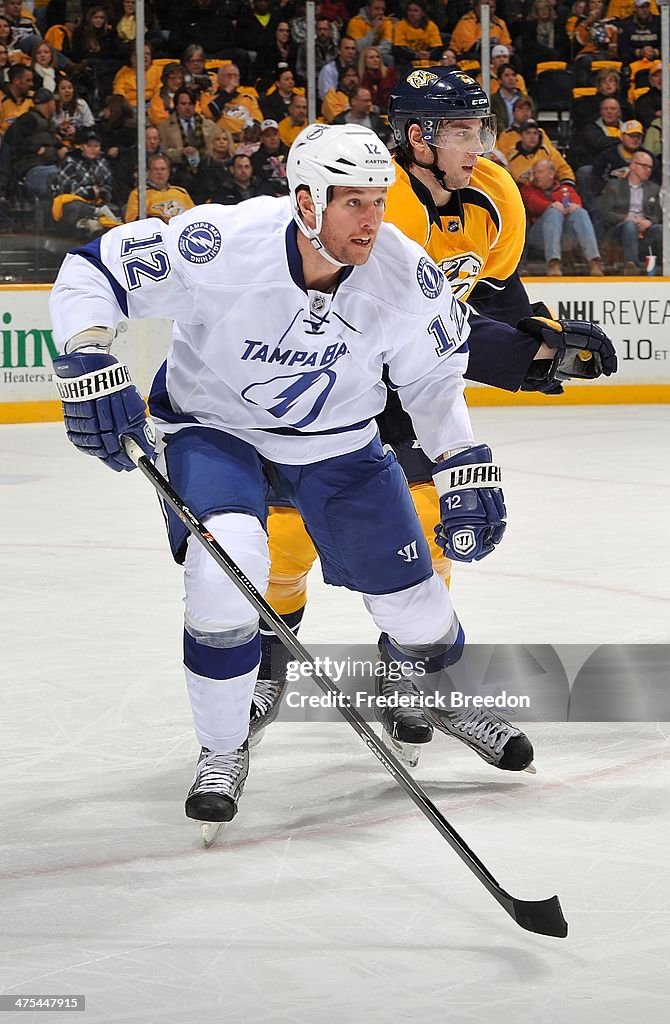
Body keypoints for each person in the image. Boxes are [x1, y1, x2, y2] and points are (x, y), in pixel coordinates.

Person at [49, 123, 533, 838]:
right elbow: (92, 271)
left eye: (378, 200)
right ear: (305, 201)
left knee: (418, 612)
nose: (372, 220)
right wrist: (88, 354)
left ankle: (434, 692)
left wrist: (462, 461)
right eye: (353, 204)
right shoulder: (219, 242)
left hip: (340, 445)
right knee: (227, 576)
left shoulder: (403, 272)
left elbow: (433, 379)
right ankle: (221, 750)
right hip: (216, 432)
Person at [255, 70, 618, 765]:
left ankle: (412, 682)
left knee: (431, 537)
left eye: (479, 128)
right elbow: (392, 326)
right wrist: (520, 359)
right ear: (416, 137)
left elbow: (495, 298)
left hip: (414, 399)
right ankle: (258, 678)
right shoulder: (376, 209)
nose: (477, 144)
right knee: (283, 543)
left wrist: (539, 343)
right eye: (459, 131)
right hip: (326, 392)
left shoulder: (494, 195)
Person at [520, 158, 603, 276]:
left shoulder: (566, 189)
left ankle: (594, 261)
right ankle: (553, 263)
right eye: (534, 172)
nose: (535, 176)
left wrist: (573, 206)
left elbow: (576, 201)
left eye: (539, 172)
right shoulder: (528, 189)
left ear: (551, 174)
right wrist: (551, 205)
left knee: (580, 212)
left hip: (566, 236)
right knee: (553, 212)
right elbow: (532, 204)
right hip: (539, 236)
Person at [601, 149, 662, 274]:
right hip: (619, 231)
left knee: (660, 229)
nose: (648, 170)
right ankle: (632, 265)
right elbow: (605, 213)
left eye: (650, 167)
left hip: (644, 231)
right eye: (644, 166)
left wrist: (649, 222)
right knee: (629, 225)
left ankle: (664, 267)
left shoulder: (654, 189)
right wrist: (626, 218)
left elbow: (659, 215)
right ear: (633, 166)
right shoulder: (614, 186)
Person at [124, 152, 195, 222]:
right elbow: (131, 221)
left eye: (163, 169)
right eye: (156, 169)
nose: (159, 172)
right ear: (148, 172)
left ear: (169, 172)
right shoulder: (139, 194)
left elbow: (195, 215)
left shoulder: (181, 192)